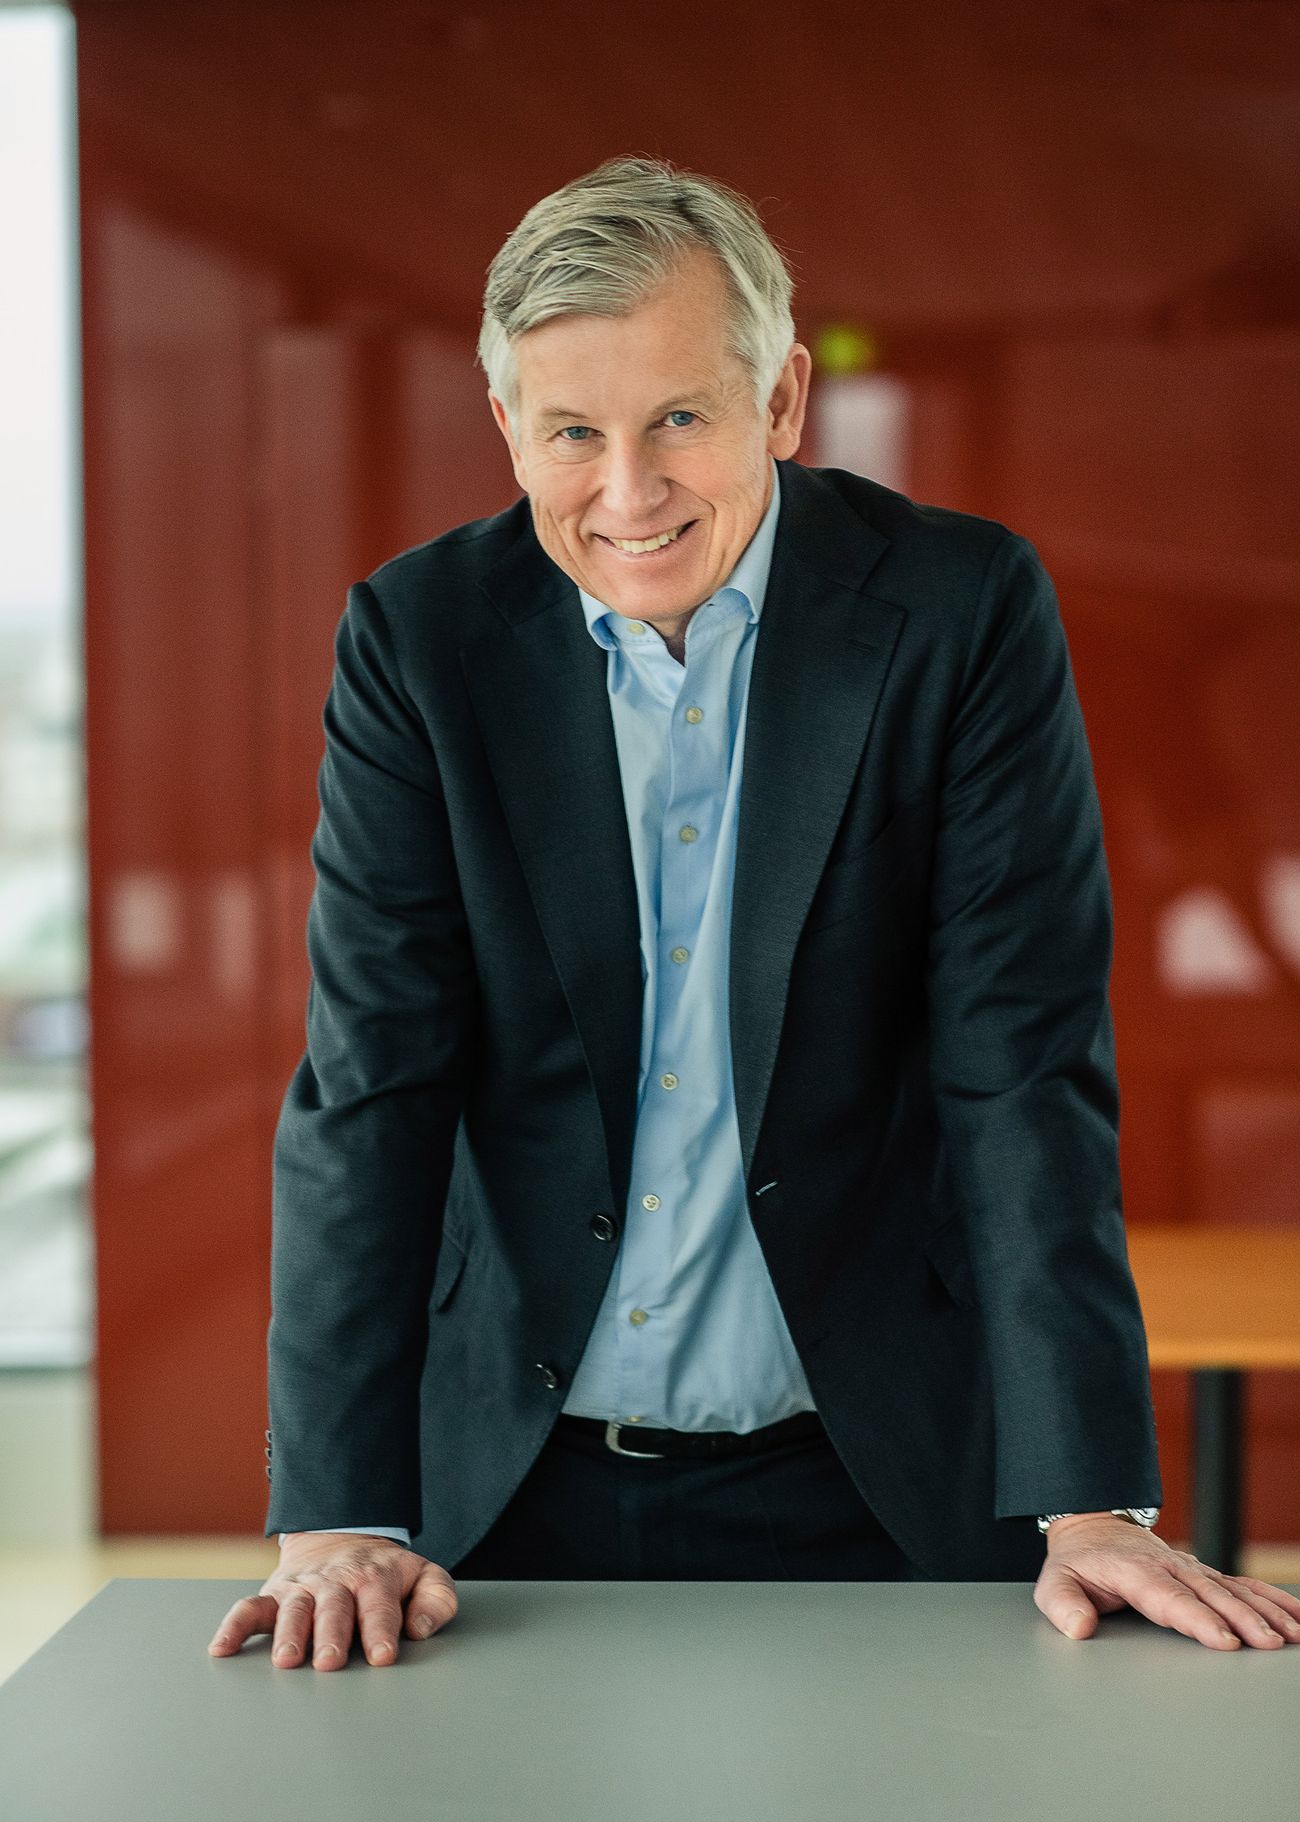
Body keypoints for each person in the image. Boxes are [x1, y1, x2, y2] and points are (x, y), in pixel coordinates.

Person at [209, 156, 1300, 1670]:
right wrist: (338, 1509)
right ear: (508, 428)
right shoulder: (418, 636)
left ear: (781, 400)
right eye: (573, 432)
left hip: (881, 1470)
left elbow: (1019, 1067)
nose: (628, 491)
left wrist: (1088, 1495)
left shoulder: (960, 610)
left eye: (680, 418)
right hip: (503, 1486)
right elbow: (372, 1077)